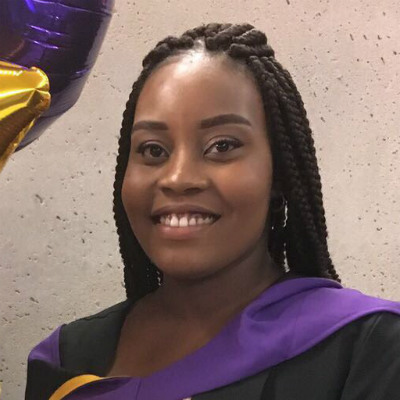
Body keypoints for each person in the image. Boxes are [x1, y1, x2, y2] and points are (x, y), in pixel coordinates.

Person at [25, 23, 400, 400]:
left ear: (279, 175)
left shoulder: (367, 348)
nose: (177, 178)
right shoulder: (67, 357)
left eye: (222, 145)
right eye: (153, 150)